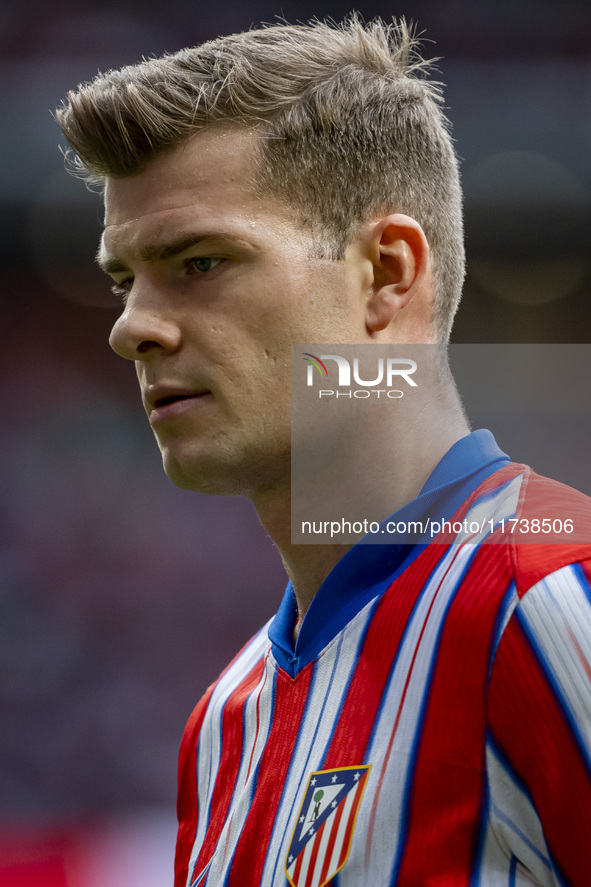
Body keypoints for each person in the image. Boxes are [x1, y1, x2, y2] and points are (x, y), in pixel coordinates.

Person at [55, 16, 591, 886]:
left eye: (199, 262)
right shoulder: (226, 721)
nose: (129, 328)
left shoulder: (551, 597)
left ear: (385, 274)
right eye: (125, 279)